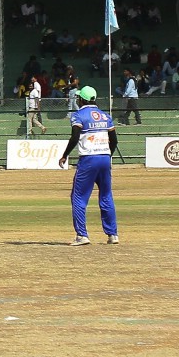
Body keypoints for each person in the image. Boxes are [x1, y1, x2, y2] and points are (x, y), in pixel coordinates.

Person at [57, 85, 120, 245]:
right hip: (105, 158)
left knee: (78, 197)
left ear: (81, 99)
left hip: (88, 160)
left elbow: (75, 137)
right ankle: (113, 235)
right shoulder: (105, 116)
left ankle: (82, 235)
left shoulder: (78, 115)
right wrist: (107, 155)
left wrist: (65, 155)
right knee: (106, 195)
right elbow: (114, 140)